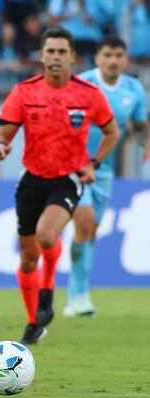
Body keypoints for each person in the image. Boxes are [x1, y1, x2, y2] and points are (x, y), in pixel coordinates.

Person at [0, 27, 119, 345]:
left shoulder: (89, 94)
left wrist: (93, 164)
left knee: (47, 237)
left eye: (62, 51)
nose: (56, 57)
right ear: (42, 55)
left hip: (67, 179)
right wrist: (0, 146)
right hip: (32, 179)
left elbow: (112, 132)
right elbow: (4, 132)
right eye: (50, 51)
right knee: (27, 258)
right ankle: (34, 321)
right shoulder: (24, 91)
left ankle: (47, 288)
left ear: (72, 56)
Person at [65, 37, 149, 317]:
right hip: (74, 165)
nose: (113, 60)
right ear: (97, 58)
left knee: (90, 231)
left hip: (105, 170)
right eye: (108, 55)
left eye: (118, 55)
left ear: (125, 59)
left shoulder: (133, 89)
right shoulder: (82, 84)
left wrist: (145, 143)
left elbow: (139, 124)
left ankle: (77, 293)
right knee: (84, 220)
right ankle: (79, 297)